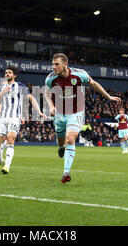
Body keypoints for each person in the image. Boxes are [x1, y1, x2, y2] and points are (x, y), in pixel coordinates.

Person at [45, 53, 121, 183]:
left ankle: (66, 172)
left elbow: (94, 84)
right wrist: (51, 106)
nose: (53, 67)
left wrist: (108, 97)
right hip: (59, 113)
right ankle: (60, 147)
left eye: (56, 64)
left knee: (71, 137)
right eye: (52, 64)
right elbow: (47, 93)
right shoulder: (50, 79)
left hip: (76, 112)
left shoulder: (79, 74)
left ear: (65, 64)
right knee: (61, 141)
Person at [0, 66, 47, 174]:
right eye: (6, 72)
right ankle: (0, 162)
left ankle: (6, 166)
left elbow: (31, 99)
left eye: (9, 72)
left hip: (14, 118)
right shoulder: (1, 88)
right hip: (2, 118)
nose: (7, 74)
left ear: (14, 75)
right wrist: (2, 94)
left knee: (11, 139)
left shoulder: (21, 86)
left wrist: (39, 112)